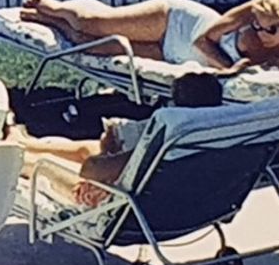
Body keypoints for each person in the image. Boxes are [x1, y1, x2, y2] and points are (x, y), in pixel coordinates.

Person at [12, 70, 223, 199]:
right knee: (88, 149)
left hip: (125, 206)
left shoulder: (164, 147)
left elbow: (92, 169)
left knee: (45, 163)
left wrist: (107, 154)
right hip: (181, 201)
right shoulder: (216, 139)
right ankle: (22, 142)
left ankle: (10, 157)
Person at [17, 0, 279, 73]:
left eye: (266, 29)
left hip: (173, 55)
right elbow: (203, 40)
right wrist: (229, 68)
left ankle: (52, 22)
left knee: (92, 43)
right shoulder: (250, 13)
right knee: (94, 24)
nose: (257, 29)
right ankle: (56, 8)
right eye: (255, 22)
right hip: (177, 22)